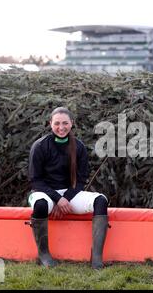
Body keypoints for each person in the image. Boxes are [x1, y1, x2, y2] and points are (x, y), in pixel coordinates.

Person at [27, 107, 109, 269]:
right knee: (41, 205)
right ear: (50, 124)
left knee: (101, 200)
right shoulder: (40, 146)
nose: (61, 127)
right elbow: (36, 181)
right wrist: (58, 199)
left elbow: (81, 179)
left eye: (65, 123)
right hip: (43, 193)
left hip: (70, 194)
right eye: (57, 123)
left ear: (72, 123)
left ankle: (97, 258)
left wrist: (66, 198)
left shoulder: (78, 147)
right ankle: (43, 254)